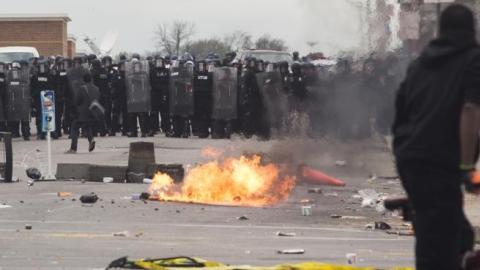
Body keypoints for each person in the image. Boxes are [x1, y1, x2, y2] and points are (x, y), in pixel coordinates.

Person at [392, 4, 480, 270]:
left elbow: (401, 111)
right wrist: (466, 166)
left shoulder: (421, 63)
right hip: (439, 161)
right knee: (437, 244)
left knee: (459, 233)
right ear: (471, 29)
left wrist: (404, 151)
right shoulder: (473, 60)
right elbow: (470, 110)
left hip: (410, 157)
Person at [66, 73, 98, 153]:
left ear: (84, 80)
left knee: (74, 128)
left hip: (82, 114)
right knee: (87, 126)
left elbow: (77, 101)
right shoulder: (96, 89)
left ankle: (73, 148)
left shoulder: (82, 89)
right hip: (93, 113)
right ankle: (91, 140)